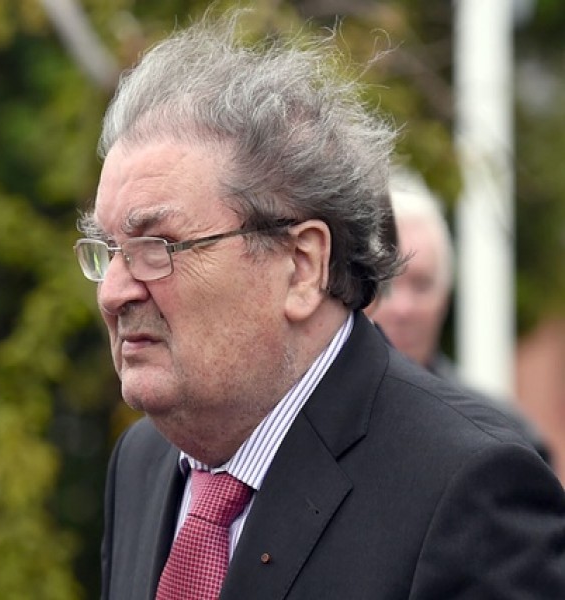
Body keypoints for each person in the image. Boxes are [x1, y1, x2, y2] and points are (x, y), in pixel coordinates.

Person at [73, 11, 565, 600]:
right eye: (108, 250)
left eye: (156, 247)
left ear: (302, 265)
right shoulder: (143, 464)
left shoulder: (468, 490)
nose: (113, 292)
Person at [366, 168, 550, 460]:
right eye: (387, 282)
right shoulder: (310, 418)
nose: (403, 308)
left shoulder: (506, 438)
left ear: (446, 295)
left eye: (422, 284)